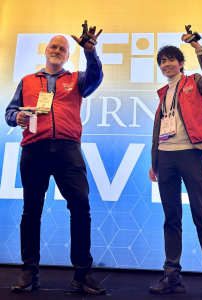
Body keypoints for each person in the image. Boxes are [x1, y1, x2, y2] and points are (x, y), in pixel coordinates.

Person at [5, 21, 105, 295]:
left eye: (63, 49)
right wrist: (18, 117)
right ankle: (29, 272)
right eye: (54, 46)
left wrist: (90, 51)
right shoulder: (27, 81)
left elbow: (96, 76)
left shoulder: (76, 79)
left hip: (67, 150)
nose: (57, 51)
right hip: (34, 150)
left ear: (67, 56)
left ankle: (82, 274)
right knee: (31, 211)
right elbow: (9, 113)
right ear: (46, 50)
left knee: (81, 208)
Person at [148, 33, 202, 300]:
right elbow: (159, 129)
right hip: (166, 158)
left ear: (181, 63)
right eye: (162, 61)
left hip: (190, 155)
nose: (166, 64)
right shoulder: (163, 93)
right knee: (171, 219)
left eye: (170, 59)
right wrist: (155, 163)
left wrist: (197, 46)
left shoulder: (194, 82)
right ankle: (172, 277)